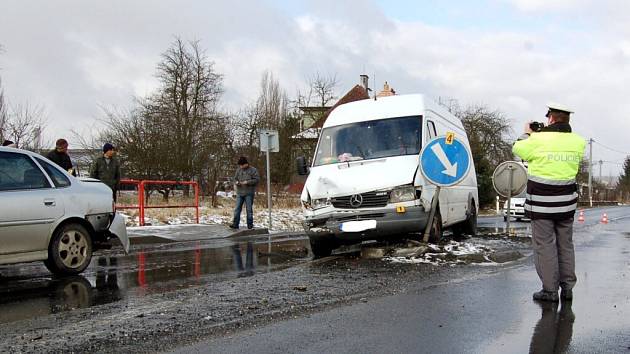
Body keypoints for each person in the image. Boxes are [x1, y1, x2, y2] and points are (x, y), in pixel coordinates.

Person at [512, 103, 586, 302]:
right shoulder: (578, 142)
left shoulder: (537, 139)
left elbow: (518, 149)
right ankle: (568, 288)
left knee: (545, 246)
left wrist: (528, 133)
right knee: (566, 245)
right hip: (566, 204)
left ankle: (550, 291)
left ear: (551, 118)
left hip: (542, 205)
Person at [229, 156, 260, 230]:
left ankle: (250, 225)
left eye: (242, 165)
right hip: (240, 193)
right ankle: (235, 224)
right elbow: (234, 179)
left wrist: (247, 182)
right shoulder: (238, 170)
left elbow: (257, 180)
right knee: (237, 209)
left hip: (249, 193)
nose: (241, 166)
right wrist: (236, 182)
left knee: (249, 210)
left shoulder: (253, 170)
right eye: (240, 165)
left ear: (246, 164)